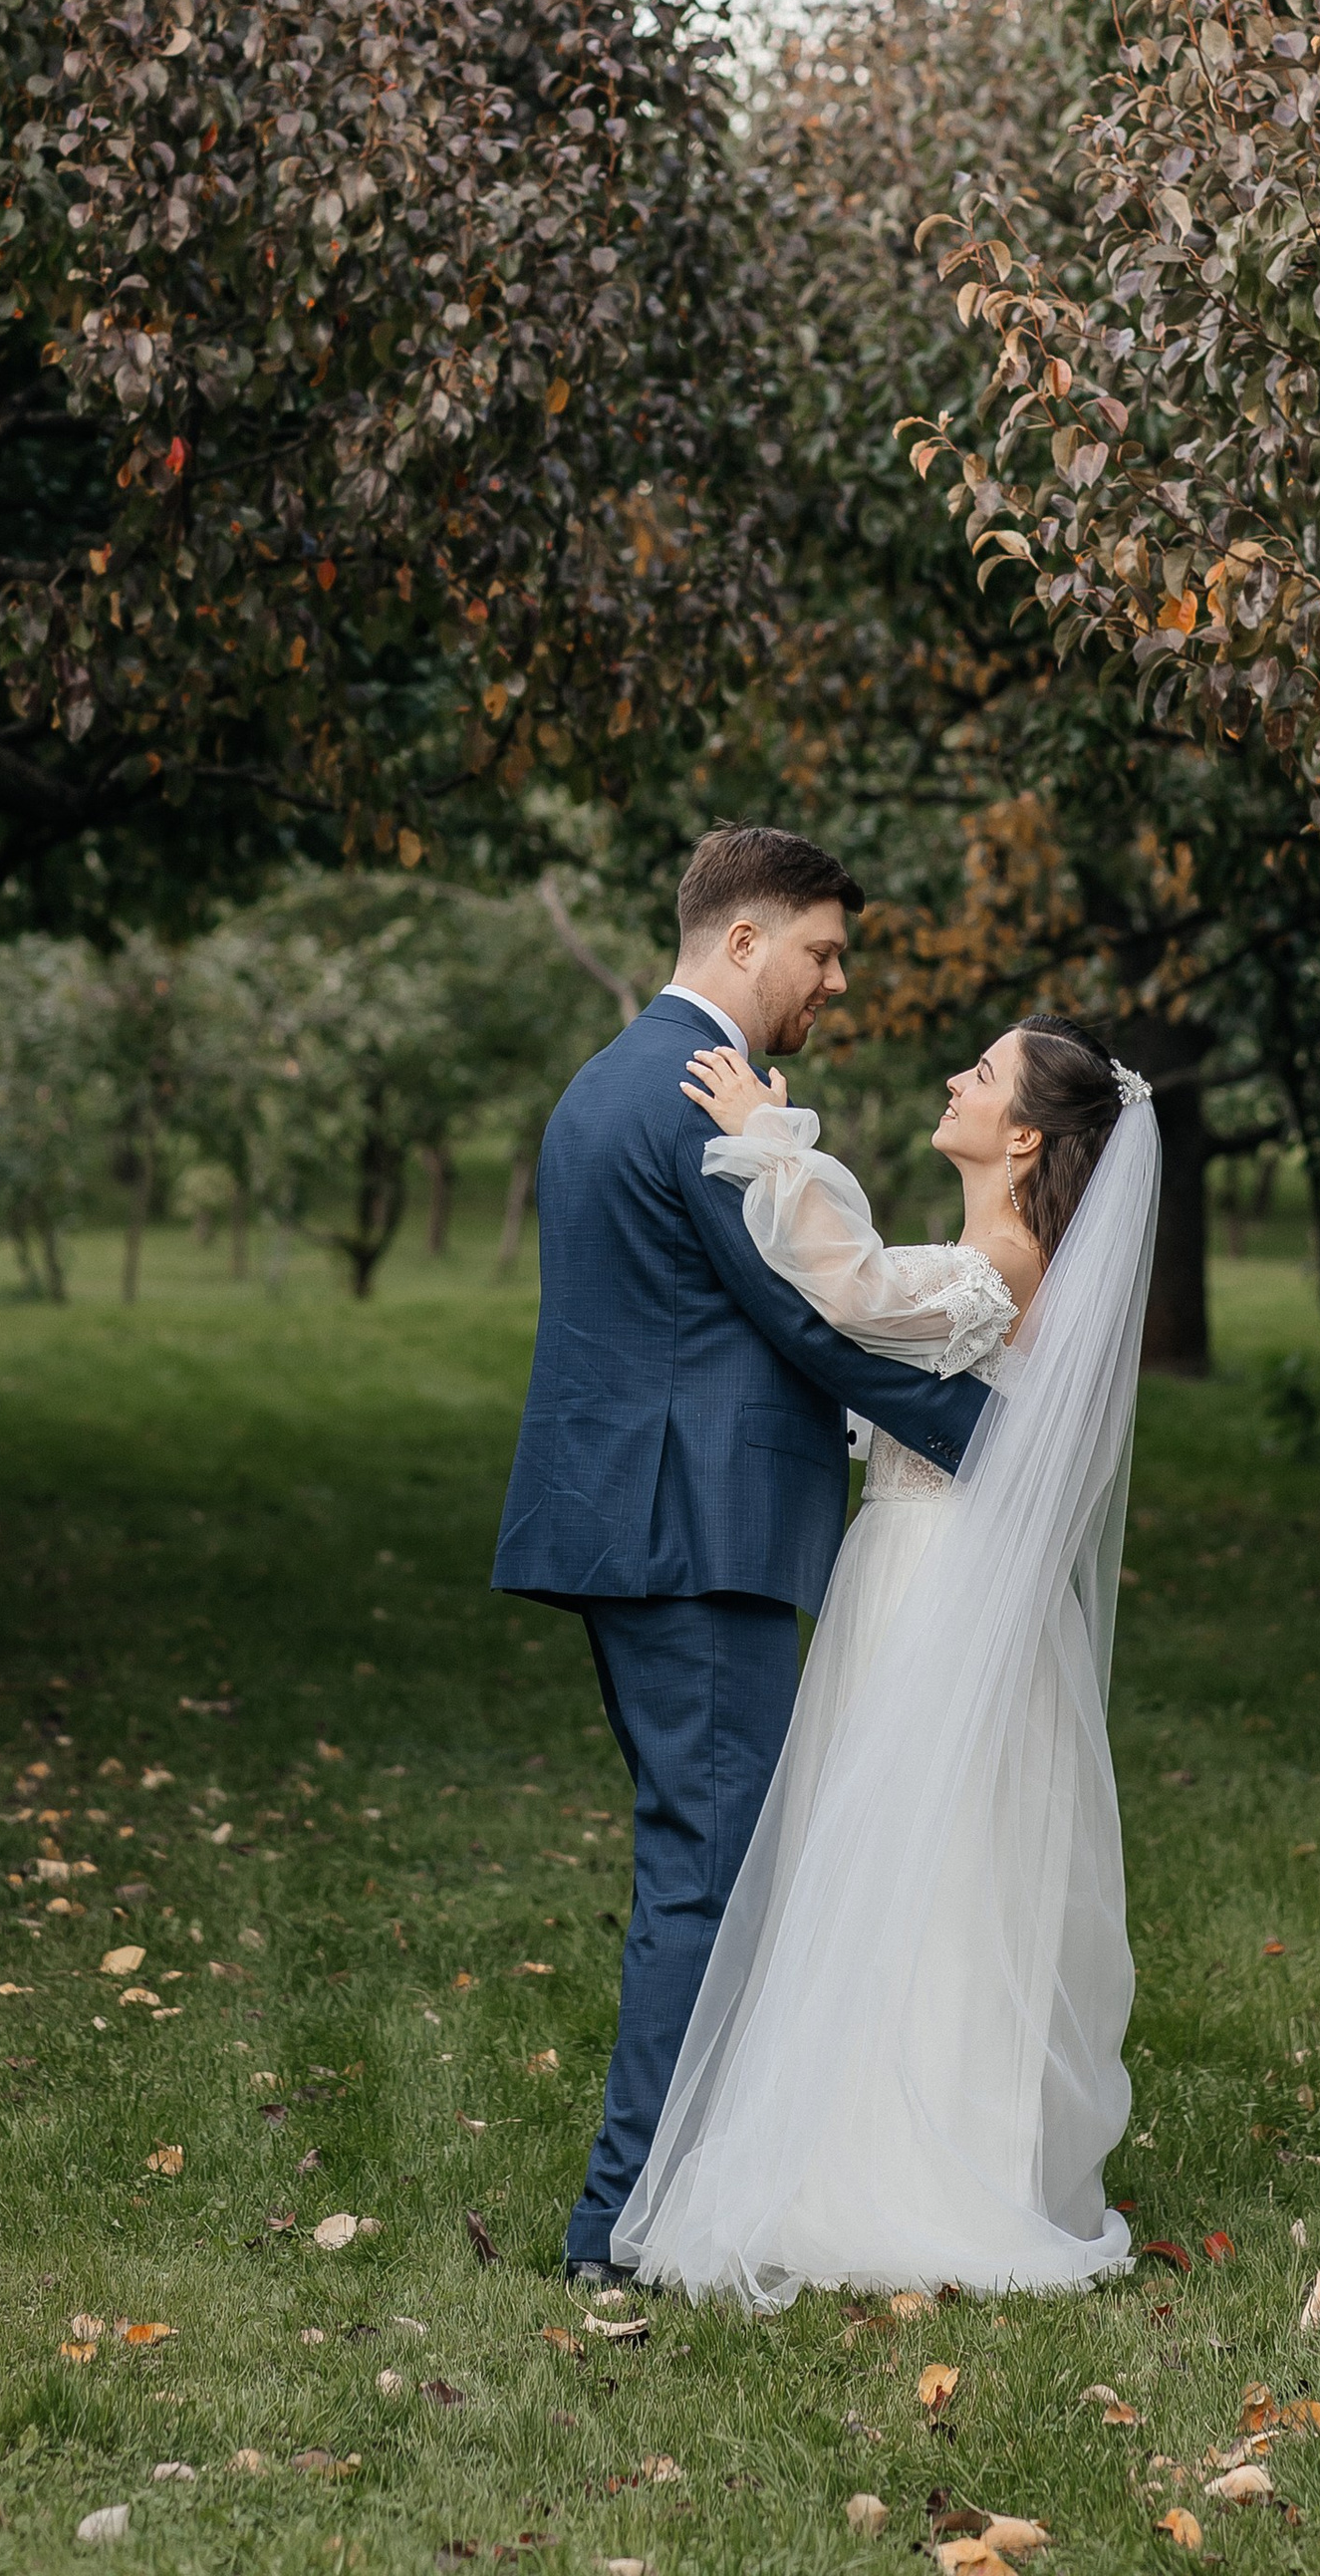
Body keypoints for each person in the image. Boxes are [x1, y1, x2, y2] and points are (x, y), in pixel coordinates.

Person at [491, 825, 987, 2287]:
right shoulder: (695, 1097)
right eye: (825, 952)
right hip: (691, 1538)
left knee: (698, 1863)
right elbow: (805, 1320)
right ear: (745, 941)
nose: (837, 984)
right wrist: (1001, 1442)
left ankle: (680, 2195)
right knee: (707, 1877)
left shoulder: (615, 1079)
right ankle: (620, 2229)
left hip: (635, 1520)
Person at [611, 1008, 1160, 2307]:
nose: (951, 1081)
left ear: (1021, 1136)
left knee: (920, 1858)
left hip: (936, 1579)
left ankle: (906, 2163)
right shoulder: (1002, 1246)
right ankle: (911, 2130)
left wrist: (769, 1140)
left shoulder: (1006, 1257)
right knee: (917, 1858)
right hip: (926, 1567)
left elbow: (851, 1291)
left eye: (979, 1074)